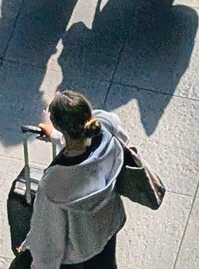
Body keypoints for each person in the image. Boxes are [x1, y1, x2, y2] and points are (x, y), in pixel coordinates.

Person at [18, 90, 131, 269]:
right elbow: (89, 149)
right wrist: (57, 136)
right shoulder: (109, 128)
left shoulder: (54, 184)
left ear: (55, 123)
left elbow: (48, 239)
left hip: (82, 247)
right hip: (109, 222)